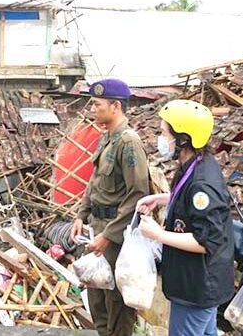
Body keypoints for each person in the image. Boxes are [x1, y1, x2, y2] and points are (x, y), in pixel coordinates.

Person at [135, 100, 234, 336]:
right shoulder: (196, 164)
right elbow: (193, 205)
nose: (160, 139)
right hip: (197, 282)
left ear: (183, 139)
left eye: (163, 133)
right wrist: (163, 198)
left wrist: (158, 235)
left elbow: (206, 241)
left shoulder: (202, 183)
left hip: (197, 287)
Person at [70, 78, 150, 336]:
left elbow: (137, 193)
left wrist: (109, 235)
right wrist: (81, 216)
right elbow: (94, 183)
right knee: (97, 300)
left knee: (117, 306)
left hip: (117, 237)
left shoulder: (129, 143)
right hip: (98, 229)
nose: (92, 109)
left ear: (115, 106)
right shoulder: (106, 139)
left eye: (97, 104)